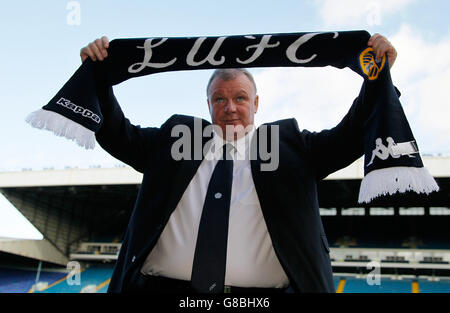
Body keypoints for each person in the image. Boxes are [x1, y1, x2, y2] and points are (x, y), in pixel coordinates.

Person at [80, 33, 397, 293]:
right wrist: (99, 75)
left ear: (256, 103)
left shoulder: (293, 146)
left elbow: (352, 135)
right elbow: (116, 133)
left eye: (240, 98)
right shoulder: (175, 139)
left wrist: (375, 77)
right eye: (219, 99)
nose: (230, 107)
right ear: (208, 104)